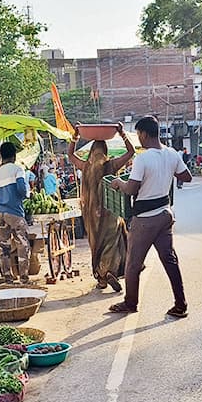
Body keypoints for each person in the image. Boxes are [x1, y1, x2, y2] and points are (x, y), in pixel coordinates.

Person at [108, 116, 191, 318]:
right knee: (170, 260)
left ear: (144, 134)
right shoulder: (171, 154)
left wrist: (119, 182)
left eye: (138, 134)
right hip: (165, 214)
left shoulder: (143, 158)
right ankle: (181, 304)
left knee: (133, 263)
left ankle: (130, 303)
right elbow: (186, 176)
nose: (139, 138)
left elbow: (131, 188)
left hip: (145, 219)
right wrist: (166, 173)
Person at [69, 122, 135, 290]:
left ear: (91, 152)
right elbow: (131, 152)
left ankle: (102, 277)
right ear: (106, 151)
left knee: (96, 243)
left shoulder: (85, 167)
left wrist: (75, 136)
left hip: (91, 213)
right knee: (112, 242)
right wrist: (122, 134)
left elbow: (70, 155)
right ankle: (109, 270)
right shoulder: (111, 165)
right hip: (110, 211)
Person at [0, 142, 31, 284]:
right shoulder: (17, 169)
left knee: (4, 246)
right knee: (23, 244)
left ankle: (7, 277)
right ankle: (24, 277)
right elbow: (22, 190)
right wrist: (27, 195)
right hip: (14, 212)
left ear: (2, 156)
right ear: (14, 155)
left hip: (0, 213)